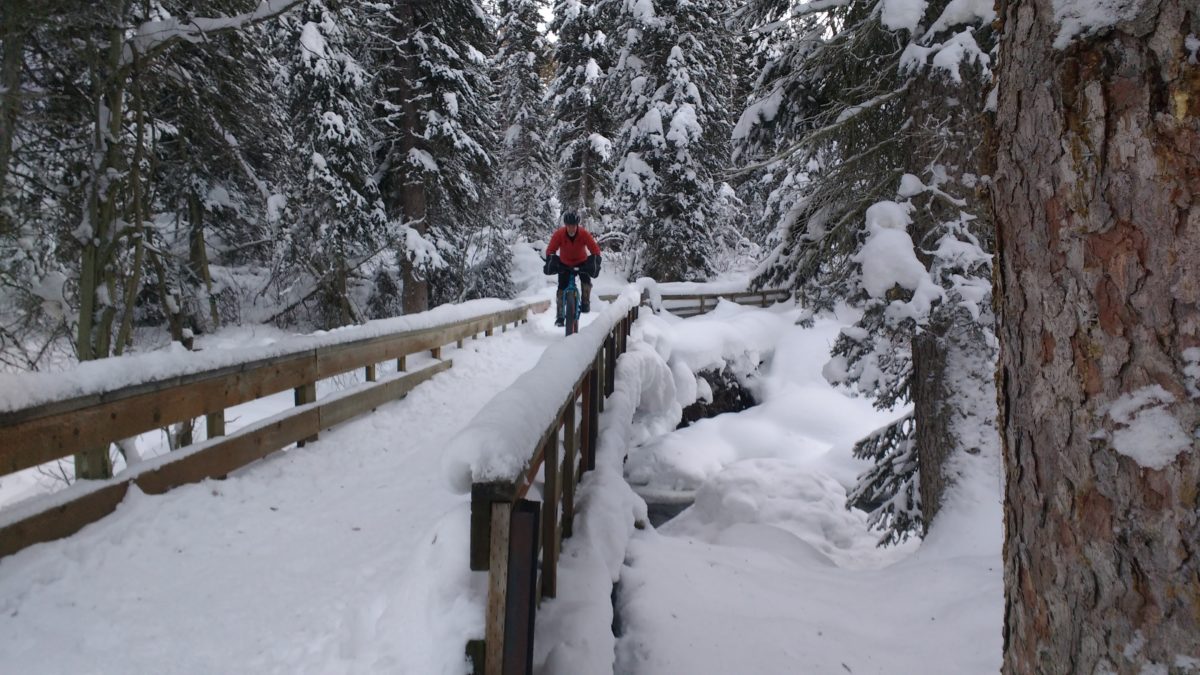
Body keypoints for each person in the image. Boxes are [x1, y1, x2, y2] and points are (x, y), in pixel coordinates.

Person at [545, 211, 601, 327]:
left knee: (586, 281)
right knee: (561, 288)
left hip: (581, 262)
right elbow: (551, 250)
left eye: (574, 226)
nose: (571, 229)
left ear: (577, 225)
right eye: (569, 226)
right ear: (565, 225)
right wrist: (552, 261)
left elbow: (595, 249)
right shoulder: (559, 234)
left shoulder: (583, 234)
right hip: (564, 263)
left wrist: (594, 261)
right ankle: (560, 315)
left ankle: (585, 302)